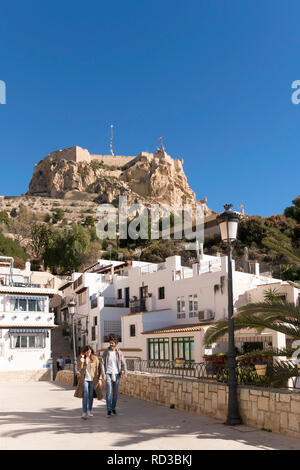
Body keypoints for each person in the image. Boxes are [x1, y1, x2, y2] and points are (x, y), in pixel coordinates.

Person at [101, 335, 127, 417]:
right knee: (109, 392)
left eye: (112, 343)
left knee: (115, 393)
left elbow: (123, 363)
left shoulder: (119, 352)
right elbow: (102, 363)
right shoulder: (106, 352)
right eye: (110, 343)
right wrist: (103, 374)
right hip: (108, 373)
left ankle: (113, 408)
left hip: (116, 374)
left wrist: (125, 372)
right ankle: (108, 410)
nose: (111, 344)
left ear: (116, 344)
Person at [74, 345, 103, 420]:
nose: (88, 353)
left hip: (93, 380)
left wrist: (99, 379)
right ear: (84, 352)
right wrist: (81, 360)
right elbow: (79, 369)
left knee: (90, 396)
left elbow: (99, 369)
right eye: (87, 352)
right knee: (85, 395)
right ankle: (84, 412)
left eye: (89, 352)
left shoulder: (95, 359)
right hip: (85, 380)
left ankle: (89, 410)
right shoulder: (82, 359)